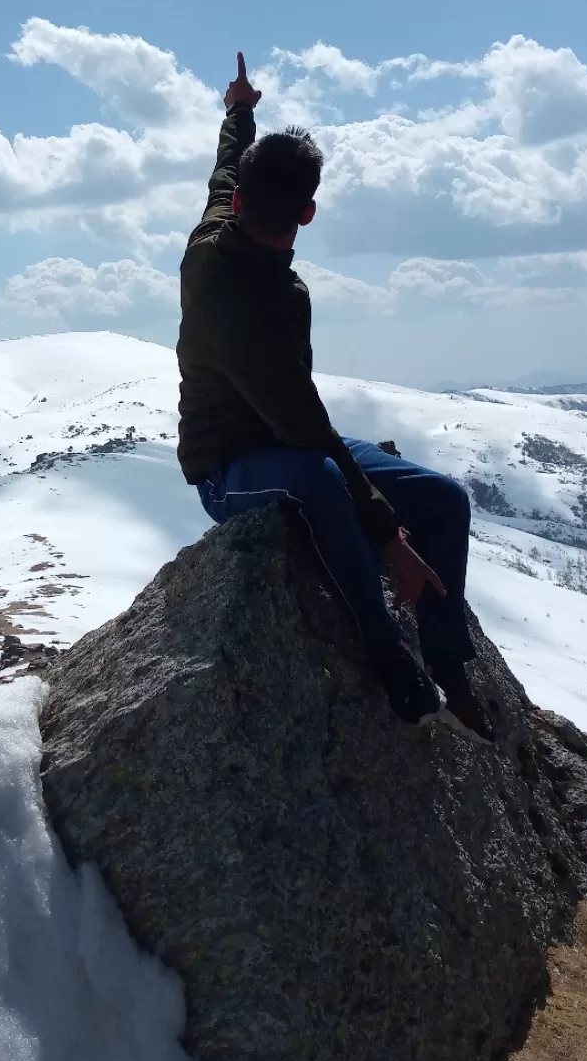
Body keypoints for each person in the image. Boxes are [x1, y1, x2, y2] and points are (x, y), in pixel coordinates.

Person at [176, 52, 494, 740]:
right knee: (322, 480)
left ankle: (450, 662)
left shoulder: (213, 231)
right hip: (227, 471)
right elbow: (305, 429)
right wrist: (388, 535)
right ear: (310, 214)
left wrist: (241, 110)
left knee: (445, 500)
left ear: (237, 202)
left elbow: (226, 162)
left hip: (282, 445)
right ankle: (390, 658)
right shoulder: (241, 305)